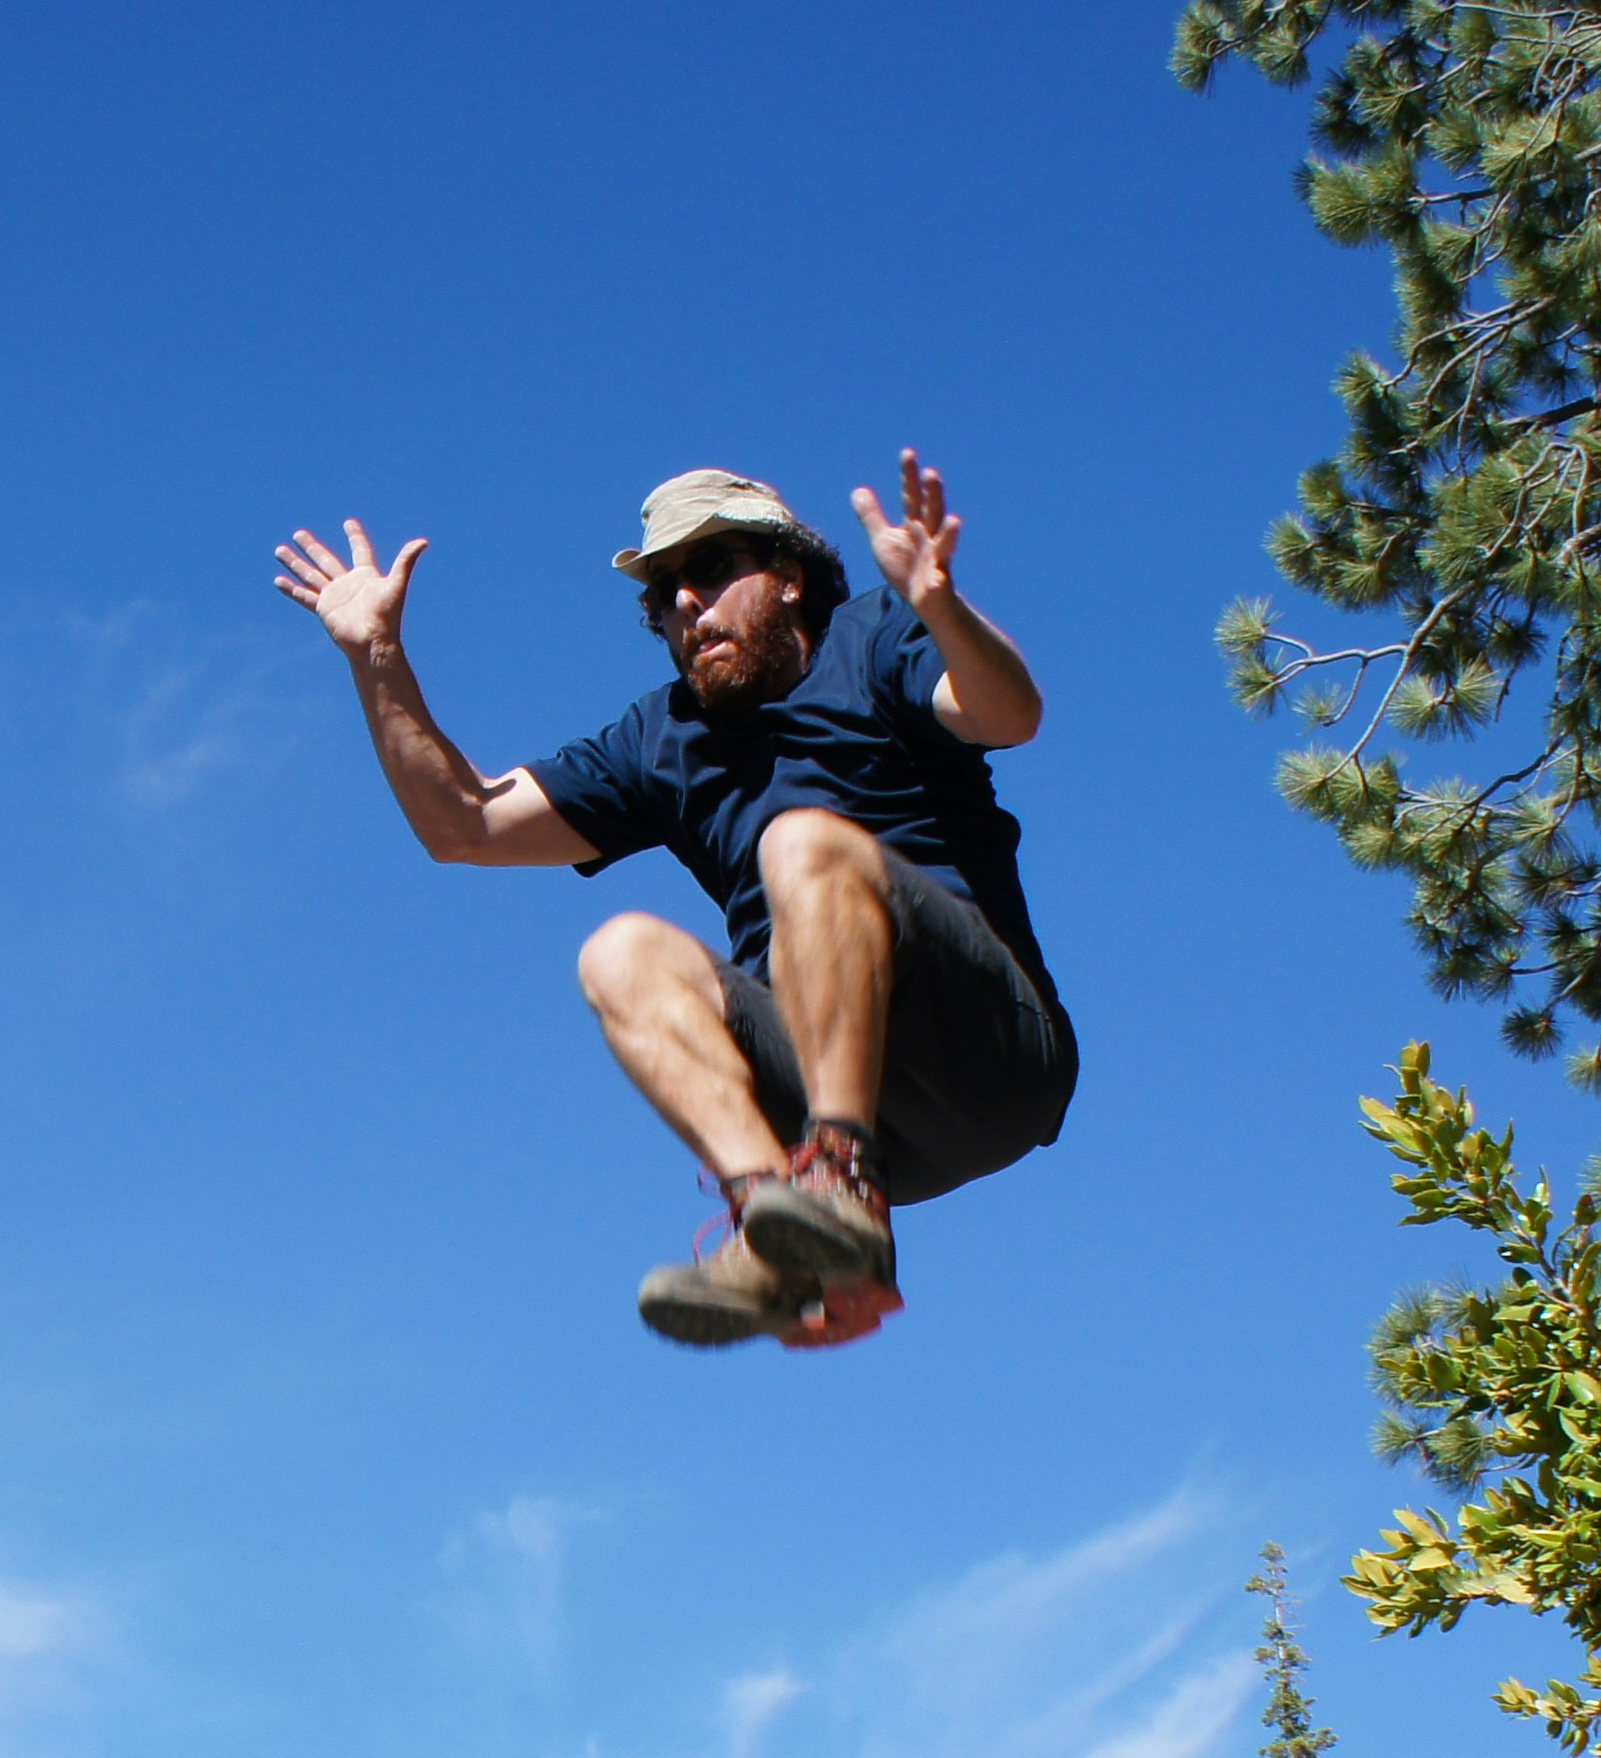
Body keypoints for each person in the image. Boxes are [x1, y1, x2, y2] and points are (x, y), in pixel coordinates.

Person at [272, 458, 1075, 1348]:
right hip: (851, 1102)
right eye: (664, 594)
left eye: (713, 569)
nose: (688, 603)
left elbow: (1007, 714)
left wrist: (940, 606)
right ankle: (786, 1229)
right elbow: (463, 826)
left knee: (799, 843)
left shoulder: (872, 639)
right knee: (618, 952)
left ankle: (838, 1181)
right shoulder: (662, 736)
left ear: (787, 575)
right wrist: (376, 659)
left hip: (991, 1052)